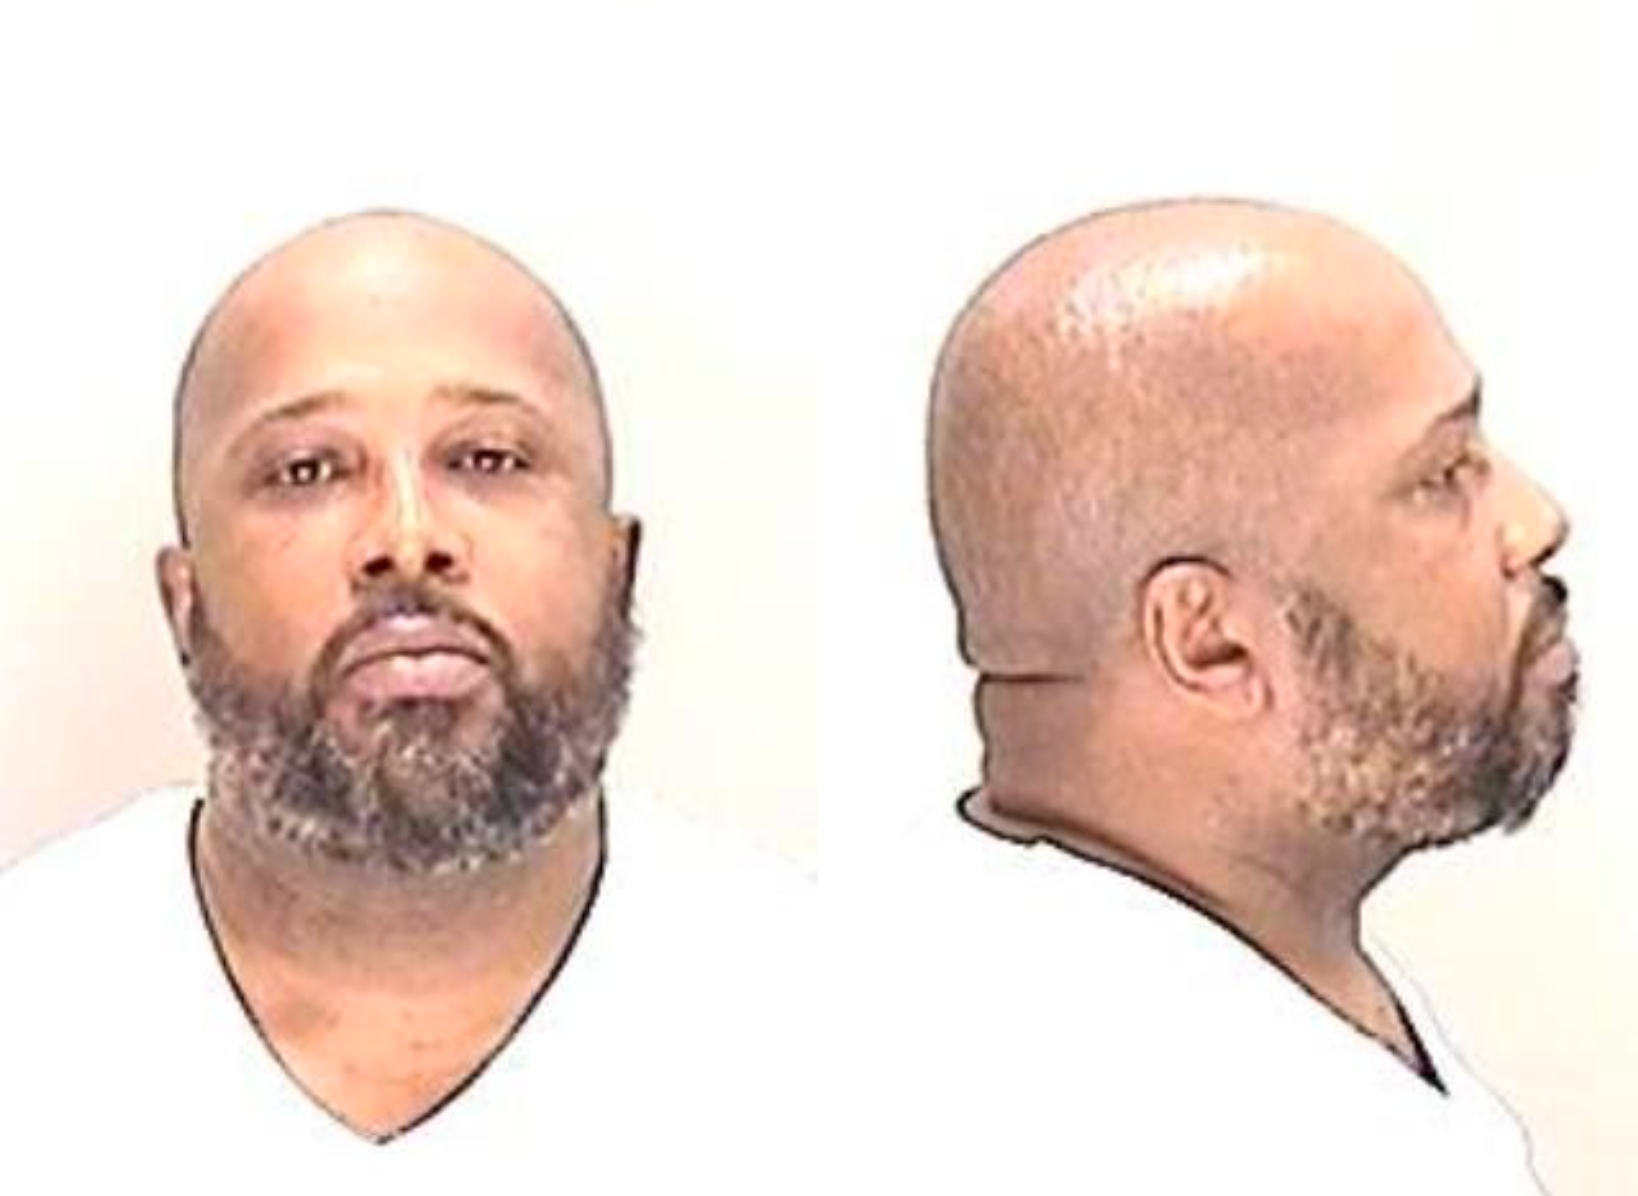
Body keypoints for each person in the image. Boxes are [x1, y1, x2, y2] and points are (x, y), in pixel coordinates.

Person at [0, 212, 808, 1191]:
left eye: (489, 459)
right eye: (307, 470)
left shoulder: (831, 1029)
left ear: (617, 568)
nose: (408, 537)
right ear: (186, 601)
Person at [859, 199, 1577, 1194]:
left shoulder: (1215, 977)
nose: (1536, 519)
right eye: (1443, 474)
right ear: (1210, 639)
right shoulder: (1075, 1120)